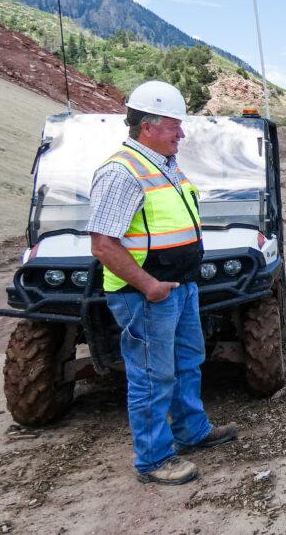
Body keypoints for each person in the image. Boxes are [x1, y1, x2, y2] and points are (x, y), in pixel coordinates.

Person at [87, 80, 237, 485]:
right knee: (153, 375)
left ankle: (192, 430)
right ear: (148, 126)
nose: (182, 134)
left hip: (179, 286)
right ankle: (154, 459)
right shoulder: (122, 172)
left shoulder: (164, 165)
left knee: (187, 362)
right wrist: (149, 285)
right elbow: (103, 244)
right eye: (175, 126)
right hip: (147, 295)